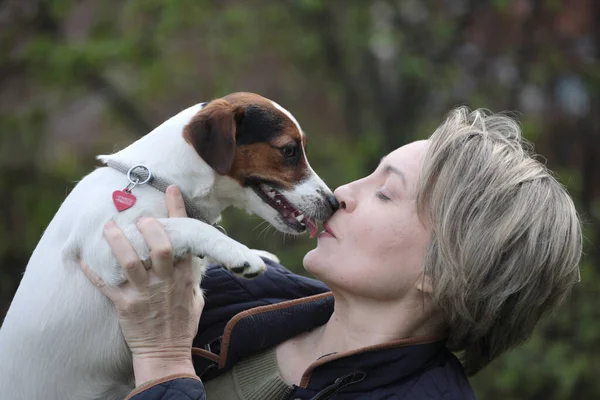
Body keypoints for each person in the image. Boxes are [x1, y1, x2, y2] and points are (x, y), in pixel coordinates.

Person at [81, 107, 582, 400]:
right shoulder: (225, 291)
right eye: (367, 174)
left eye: (385, 193)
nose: (340, 192)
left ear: (444, 268)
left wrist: (164, 364)